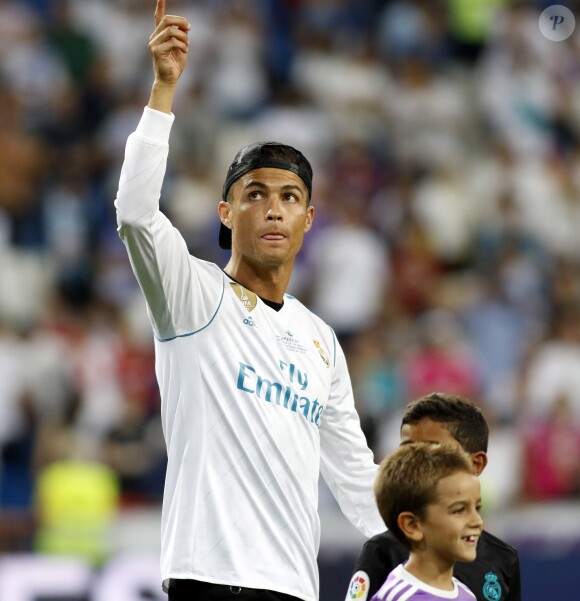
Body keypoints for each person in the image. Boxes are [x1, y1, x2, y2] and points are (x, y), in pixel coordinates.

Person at [114, 2, 384, 600]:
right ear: (225, 212)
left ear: (308, 219)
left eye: (290, 197)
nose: (273, 207)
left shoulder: (321, 340)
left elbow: (356, 478)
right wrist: (163, 90)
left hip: (294, 587)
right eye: (255, 193)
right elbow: (134, 214)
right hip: (209, 580)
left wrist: (420, 556)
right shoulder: (192, 296)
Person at [345, 393, 522, 601]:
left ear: (476, 464)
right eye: (407, 451)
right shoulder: (384, 552)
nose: (414, 463)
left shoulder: (502, 560)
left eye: (434, 452)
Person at [368, 441, 483, 601]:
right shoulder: (398, 598)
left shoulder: (467, 595)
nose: (477, 521)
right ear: (412, 525)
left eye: (477, 508)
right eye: (459, 510)